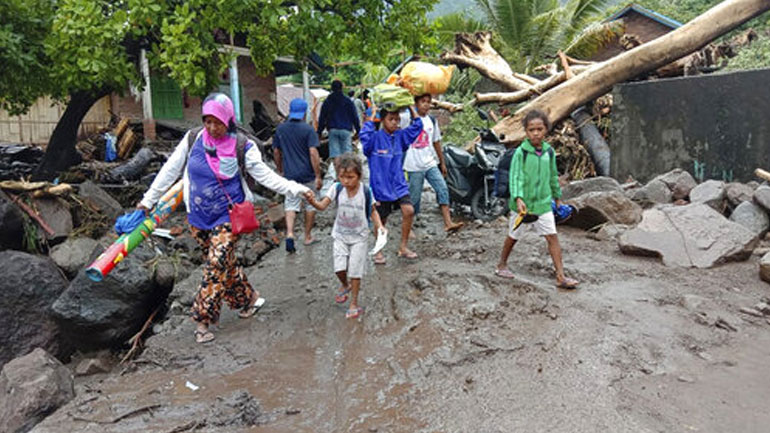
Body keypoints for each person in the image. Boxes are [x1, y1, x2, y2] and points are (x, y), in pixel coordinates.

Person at [137, 93, 312, 343]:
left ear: (228, 119)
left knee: (215, 265)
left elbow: (266, 177)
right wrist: (148, 200)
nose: (211, 127)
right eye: (207, 121)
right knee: (225, 264)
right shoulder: (193, 139)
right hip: (197, 218)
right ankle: (248, 299)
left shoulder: (243, 146)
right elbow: (170, 170)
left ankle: (202, 320)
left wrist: (297, 189)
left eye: (217, 122)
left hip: (227, 217)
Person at [495, 109, 579, 289]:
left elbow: (552, 176)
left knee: (552, 237)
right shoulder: (521, 153)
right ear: (526, 131)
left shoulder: (549, 152)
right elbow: (515, 177)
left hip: (542, 204)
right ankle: (501, 264)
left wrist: (557, 198)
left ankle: (560, 276)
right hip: (523, 207)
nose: (535, 133)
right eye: (531, 129)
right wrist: (518, 198)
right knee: (513, 235)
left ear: (545, 130)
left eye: (539, 129)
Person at [306, 153, 383, 319]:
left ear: (359, 176)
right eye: (342, 177)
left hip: (360, 237)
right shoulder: (336, 188)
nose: (346, 181)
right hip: (340, 235)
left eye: (350, 177)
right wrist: (312, 202)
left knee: (355, 270)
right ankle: (344, 284)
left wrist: (380, 226)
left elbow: (373, 212)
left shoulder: (366, 190)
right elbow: (322, 206)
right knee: (339, 268)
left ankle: (354, 303)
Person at [361, 105, 422, 263]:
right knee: (381, 220)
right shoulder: (374, 139)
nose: (395, 123)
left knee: (409, 211)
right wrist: (372, 116)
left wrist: (410, 106)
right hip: (381, 186)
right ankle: (378, 251)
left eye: (397, 119)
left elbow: (417, 126)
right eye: (391, 119)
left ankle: (403, 247)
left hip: (399, 184)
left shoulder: (401, 136)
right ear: (382, 121)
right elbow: (364, 135)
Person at [402, 94, 464, 234]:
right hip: (413, 165)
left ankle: (448, 222)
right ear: (416, 103)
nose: (426, 105)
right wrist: (410, 107)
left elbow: (436, 142)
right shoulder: (408, 120)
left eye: (428, 102)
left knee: (442, 188)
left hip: (430, 163)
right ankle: (409, 227)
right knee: (414, 197)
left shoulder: (431, 121)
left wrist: (442, 163)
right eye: (423, 101)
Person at [273, 98, 322, 252]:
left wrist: (280, 168)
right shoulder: (308, 130)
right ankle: (307, 237)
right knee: (310, 204)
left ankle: (289, 234)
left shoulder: (281, 129)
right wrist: (318, 175)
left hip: (290, 175)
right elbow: (313, 153)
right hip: (307, 175)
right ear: (304, 112)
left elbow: (276, 151)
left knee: (290, 204)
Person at [317, 80, 361, 173]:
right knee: (347, 154)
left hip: (333, 130)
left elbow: (322, 118)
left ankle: (339, 176)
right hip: (346, 130)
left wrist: (319, 132)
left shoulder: (327, 101)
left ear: (332, 88)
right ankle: (348, 173)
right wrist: (358, 130)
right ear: (342, 88)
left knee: (335, 154)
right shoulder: (347, 101)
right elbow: (354, 116)